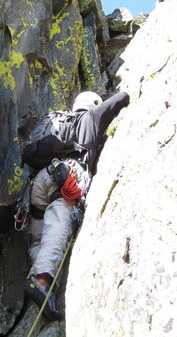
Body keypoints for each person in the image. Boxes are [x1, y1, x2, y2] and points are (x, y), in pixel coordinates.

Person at [23, 89, 130, 320]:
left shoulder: (61, 123)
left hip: (40, 181)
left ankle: (44, 288)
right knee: (61, 219)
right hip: (65, 178)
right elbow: (119, 100)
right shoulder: (89, 118)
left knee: (40, 238)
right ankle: (41, 279)